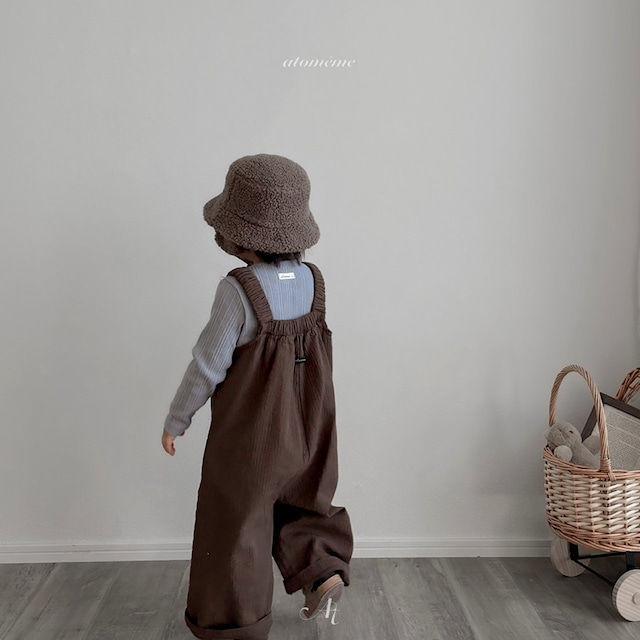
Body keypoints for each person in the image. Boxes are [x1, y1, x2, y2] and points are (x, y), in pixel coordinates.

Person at [162, 154, 353, 640]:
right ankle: (322, 572)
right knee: (304, 498)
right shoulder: (313, 281)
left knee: (237, 521)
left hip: (254, 431)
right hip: (313, 423)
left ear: (238, 235)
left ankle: (237, 625)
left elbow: (208, 365)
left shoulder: (239, 290)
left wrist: (177, 419)